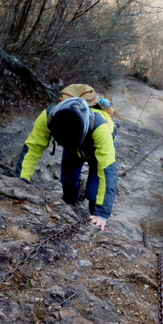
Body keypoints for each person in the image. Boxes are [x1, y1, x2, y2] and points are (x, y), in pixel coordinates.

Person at [15, 85, 118, 231]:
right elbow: (33, 148)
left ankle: (94, 211)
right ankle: (72, 197)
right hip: (72, 147)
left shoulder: (101, 128)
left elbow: (107, 170)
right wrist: (22, 180)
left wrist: (101, 214)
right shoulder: (47, 117)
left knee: (94, 194)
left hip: (97, 150)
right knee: (68, 181)